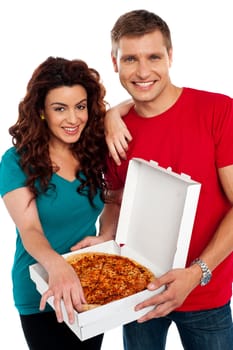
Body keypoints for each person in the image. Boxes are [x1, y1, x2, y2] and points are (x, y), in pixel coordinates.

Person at [76, 9, 233, 350]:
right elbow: (115, 199)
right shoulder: (115, 133)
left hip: (207, 295)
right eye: (130, 58)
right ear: (114, 62)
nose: (143, 71)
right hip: (138, 294)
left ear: (170, 57)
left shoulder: (218, 111)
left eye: (153, 57)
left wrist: (196, 273)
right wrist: (104, 237)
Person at [0, 56, 110, 349]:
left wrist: (106, 236)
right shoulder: (16, 162)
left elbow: (115, 200)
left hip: (88, 284)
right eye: (60, 108)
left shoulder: (94, 151)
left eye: (80, 106)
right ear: (41, 111)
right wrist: (58, 267)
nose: (73, 119)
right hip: (39, 289)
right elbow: (30, 230)